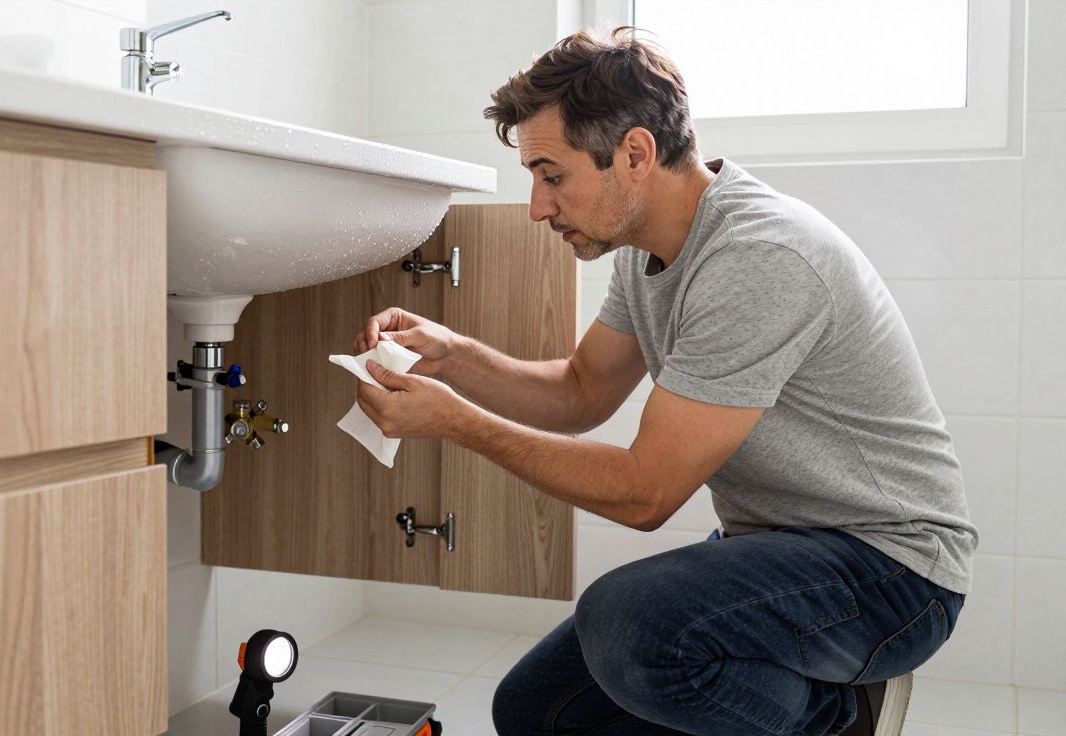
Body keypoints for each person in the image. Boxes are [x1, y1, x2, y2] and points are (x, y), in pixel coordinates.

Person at [351, 26, 976, 736]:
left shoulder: (758, 255)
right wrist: (454, 357)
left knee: (631, 623)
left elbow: (646, 493)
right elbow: (582, 391)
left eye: (552, 175)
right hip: (778, 547)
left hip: (891, 571)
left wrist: (456, 421)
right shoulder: (644, 248)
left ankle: (834, 718)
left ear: (636, 154)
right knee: (533, 712)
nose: (537, 207)